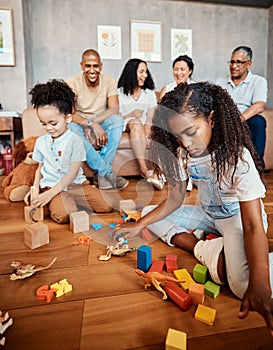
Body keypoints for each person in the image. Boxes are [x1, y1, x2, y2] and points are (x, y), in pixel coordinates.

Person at [114, 82, 273, 336]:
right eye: (179, 136)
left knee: (243, 285)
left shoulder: (237, 157)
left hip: (237, 219)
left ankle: (221, 251)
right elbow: (175, 199)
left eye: (191, 131)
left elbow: (253, 225)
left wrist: (262, 282)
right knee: (146, 215)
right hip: (209, 216)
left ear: (212, 119)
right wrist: (139, 225)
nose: (186, 142)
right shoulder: (185, 154)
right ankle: (203, 246)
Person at [24, 79, 112, 224]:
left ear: (68, 118)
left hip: (76, 185)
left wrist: (49, 195)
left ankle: (63, 200)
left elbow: (72, 173)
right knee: (64, 215)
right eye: (44, 124)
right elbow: (39, 168)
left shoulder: (75, 140)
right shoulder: (40, 142)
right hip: (52, 187)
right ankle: (59, 201)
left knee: (107, 205)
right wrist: (34, 190)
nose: (49, 128)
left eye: (53, 123)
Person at [66, 49, 129, 190]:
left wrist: (95, 123)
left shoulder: (109, 80)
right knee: (70, 128)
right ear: (82, 66)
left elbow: (114, 109)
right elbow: (70, 113)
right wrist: (88, 123)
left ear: (101, 66)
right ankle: (106, 172)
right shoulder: (72, 82)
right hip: (80, 121)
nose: (92, 70)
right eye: (88, 66)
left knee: (117, 120)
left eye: (95, 66)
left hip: (101, 120)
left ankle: (101, 175)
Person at [216, 46, 268, 170]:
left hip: (245, 119)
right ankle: (219, 169)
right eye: (232, 62)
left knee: (259, 122)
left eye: (239, 62)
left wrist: (239, 119)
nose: (234, 66)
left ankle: (257, 167)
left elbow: (259, 105)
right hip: (225, 120)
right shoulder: (220, 81)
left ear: (248, 64)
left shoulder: (258, 81)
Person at [117, 58, 164, 190]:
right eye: (141, 72)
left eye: (146, 72)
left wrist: (148, 126)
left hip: (142, 126)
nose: (145, 75)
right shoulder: (119, 93)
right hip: (127, 125)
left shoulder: (149, 94)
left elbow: (150, 115)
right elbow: (117, 116)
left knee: (147, 127)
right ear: (132, 73)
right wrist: (132, 114)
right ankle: (144, 169)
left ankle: (159, 173)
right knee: (136, 123)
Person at [159, 54, 195, 192]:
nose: (178, 73)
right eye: (175, 69)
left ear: (190, 71)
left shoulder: (195, 89)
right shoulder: (167, 89)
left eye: (182, 69)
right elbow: (161, 112)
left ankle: (190, 176)